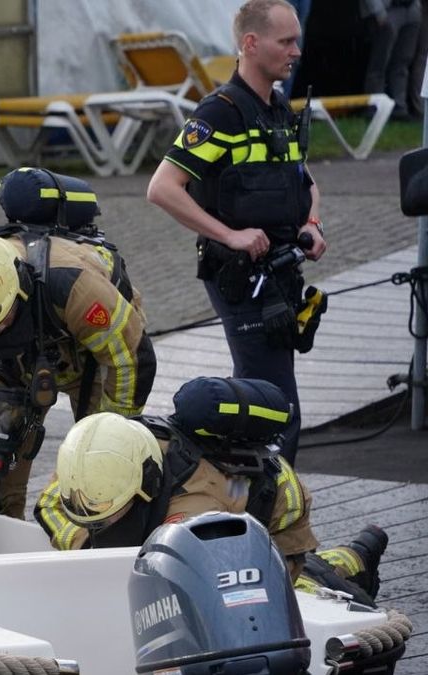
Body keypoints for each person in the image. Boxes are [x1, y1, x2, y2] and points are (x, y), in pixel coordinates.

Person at [0, 168, 157, 520]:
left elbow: (131, 358)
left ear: (18, 286)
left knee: (99, 468)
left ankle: (84, 533)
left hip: (91, 357)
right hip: (12, 364)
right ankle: (2, 533)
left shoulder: (75, 286)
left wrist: (113, 432)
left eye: (1, 325)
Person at [146, 0, 328, 464]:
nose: (296, 51)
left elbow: (305, 181)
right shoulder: (220, 112)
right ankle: (273, 501)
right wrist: (229, 236)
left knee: (261, 396)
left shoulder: (276, 106)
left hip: (281, 276)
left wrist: (311, 224)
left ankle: (234, 486)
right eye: (285, 41)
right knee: (277, 406)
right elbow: (162, 188)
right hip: (241, 278)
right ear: (251, 43)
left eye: (296, 40)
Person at [33, 401, 387, 604]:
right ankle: (353, 555)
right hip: (226, 500)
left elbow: (201, 593)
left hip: (278, 506)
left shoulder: (195, 512)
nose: (99, 523)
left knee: (278, 593)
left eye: (107, 515)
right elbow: (49, 504)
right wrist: (84, 545)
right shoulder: (94, 457)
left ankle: (356, 566)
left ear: (145, 486)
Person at [362, 0, 423, 121]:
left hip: (411, 9)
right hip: (387, 9)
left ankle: (399, 106)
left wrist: (417, 7)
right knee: (379, 63)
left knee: (403, 61)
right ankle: (375, 107)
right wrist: (378, 11)